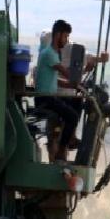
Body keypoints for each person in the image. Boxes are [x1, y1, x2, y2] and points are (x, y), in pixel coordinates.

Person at [35, 20, 81, 162]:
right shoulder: (49, 54)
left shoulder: (53, 54)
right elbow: (66, 73)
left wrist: (72, 85)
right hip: (45, 99)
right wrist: (77, 78)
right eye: (65, 36)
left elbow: (55, 80)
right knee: (72, 117)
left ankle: (69, 139)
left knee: (76, 103)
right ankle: (62, 149)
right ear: (58, 35)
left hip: (50, 97)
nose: (66, 40)